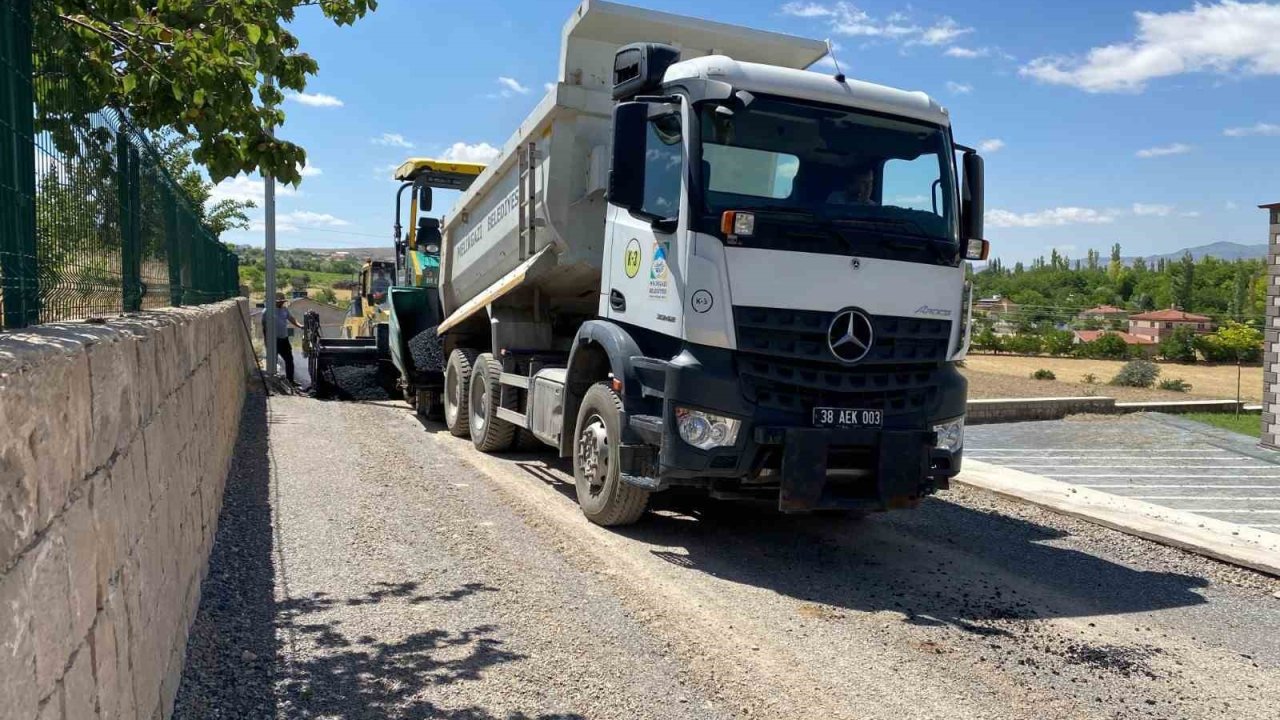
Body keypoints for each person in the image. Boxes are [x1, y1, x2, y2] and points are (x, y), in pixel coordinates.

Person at [263, 293, 303, 384]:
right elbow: (264, 327)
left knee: (289, 360)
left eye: (282, 301)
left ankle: (291, 380)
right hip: (274, 340)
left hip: (284, 339)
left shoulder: (285, 310)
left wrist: (300, 325)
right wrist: (266, 341)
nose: (282, 303)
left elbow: (291, 318)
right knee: (274, 361)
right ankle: (273, 381)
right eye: (280, 302)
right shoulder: (267, 311)